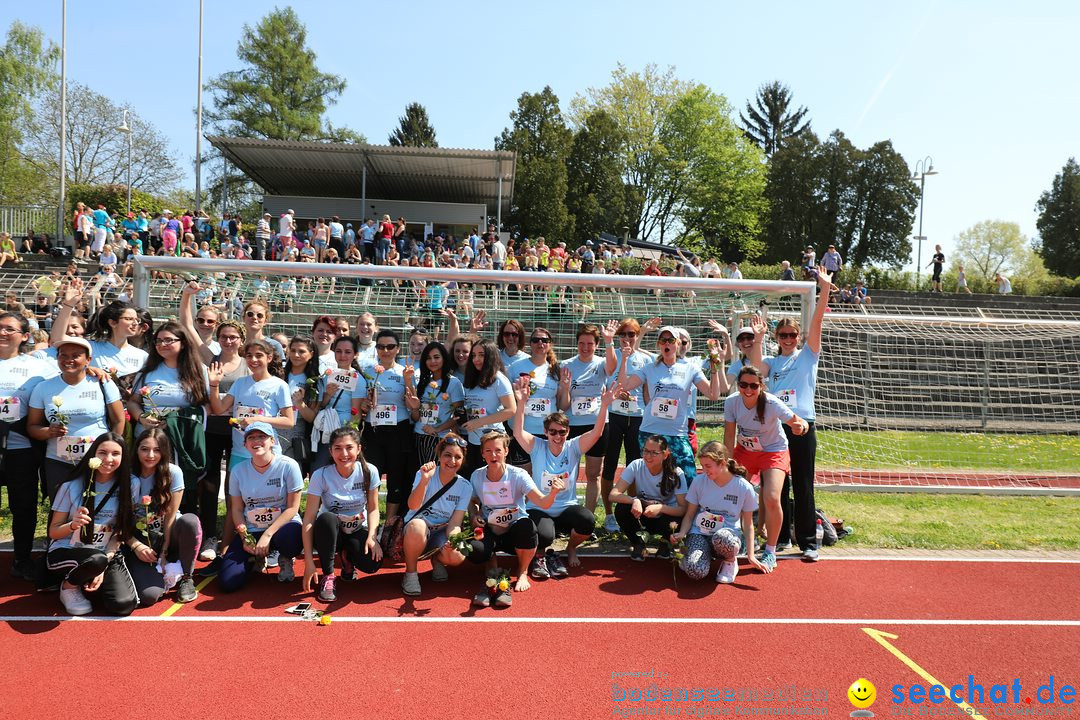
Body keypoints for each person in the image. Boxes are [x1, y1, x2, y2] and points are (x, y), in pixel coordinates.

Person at [752, 269, 832, 562]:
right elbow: (756, 370)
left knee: (803, 483)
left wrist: (824, 290)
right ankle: (781, 536)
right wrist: (759, 338)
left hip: (803, 425)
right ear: (778, 337)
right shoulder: (772, 362)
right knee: (777, 484)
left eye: (792, 334)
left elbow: (818, 319)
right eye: (783, 335)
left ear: (799, 336)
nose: (788, 339)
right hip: (778, 427)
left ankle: (809, 541)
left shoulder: (808, 354)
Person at [513, 378, 617, 577]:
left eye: (562, 432)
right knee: (545, 535)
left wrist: (604, 405)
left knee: (587, 520)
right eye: (552, 432)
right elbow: (517, 432)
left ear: (568, 432)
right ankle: (541, 555)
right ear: (546, 432)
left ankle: (570, 548)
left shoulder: (574, 447)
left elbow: (597, 433)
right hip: (540, 506)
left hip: (566, 507)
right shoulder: (537, 446)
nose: (557, 436)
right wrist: (521, 403)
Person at [724, 366, 809, 572]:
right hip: (745, 450)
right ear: (738, 385)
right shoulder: (732, 402)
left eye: (754, 385)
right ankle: (740, 539)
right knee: (732, 493)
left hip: (773, 451)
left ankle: (770, 550)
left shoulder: (771, 403)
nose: (748, 390)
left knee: (772, 497)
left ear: (761, 386)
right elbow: (728, 437)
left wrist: (801, 427)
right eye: (743, 385)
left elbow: (800, 423)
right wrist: (726, 465)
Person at [466, 431, 566, 605]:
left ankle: (522, 573)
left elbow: (543, 503)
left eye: (497, 450)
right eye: (488, 451)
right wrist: (474, 515)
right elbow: (473, 501)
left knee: (526, 526)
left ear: (506, 451)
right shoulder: (477, 475)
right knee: (474, 551)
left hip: (516, 529)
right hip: (491, 527)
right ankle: (494, 573)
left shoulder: (518, 475)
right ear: (482, 454)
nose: (493, 455)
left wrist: (554, 492)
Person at [617, 325, 726, 483]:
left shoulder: (691, 368)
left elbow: (713, 395)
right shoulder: (649, 368)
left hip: (677, 433)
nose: (666, 344)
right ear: (659, 345)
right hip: (650, 432)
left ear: (678, 344)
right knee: (653, 480)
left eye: (670, 340)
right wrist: (624, 360)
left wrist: (715, 367)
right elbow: (624, 386)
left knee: (688, 478)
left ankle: (683, 508)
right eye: (663, 340)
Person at [46, 433, 140, 616]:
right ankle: (69, 586)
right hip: (67, 548)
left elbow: (120, 531)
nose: (108, 459)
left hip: (105, 551)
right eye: (102, 452)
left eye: (115, 454)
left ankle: (89, 576)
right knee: (95, 560)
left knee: (123, 605)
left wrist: (105, 561)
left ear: (123, 457)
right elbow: (54, 532)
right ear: (92, 455)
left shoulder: (131, 484)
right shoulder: (71, 485)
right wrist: (73, 525)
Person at [127, 322, 210, 513]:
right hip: (150, 437)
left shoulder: (199, 370)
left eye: (168, 340)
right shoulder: (147, 371)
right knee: (149, 483)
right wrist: (141, 418)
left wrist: (177, 419)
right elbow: (133, 402)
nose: (162, 344)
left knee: (178, 484)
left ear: (183, 343)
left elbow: (206, 405)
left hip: (182, 439)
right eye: (158, 341)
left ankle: (177, 527)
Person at [28, 337, 126, 497]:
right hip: (58, 461)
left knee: (95, 508)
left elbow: (119, 420)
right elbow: (32, 427)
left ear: (88, 360)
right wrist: (48, 431)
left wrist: (109, 452)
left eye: (75, 355)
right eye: (63, 355)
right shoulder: (43, 388)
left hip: (96, 461)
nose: (68, 360)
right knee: (60, 511)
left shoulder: (102, 382)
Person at [0, 312, 58, 579]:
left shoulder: (38, 366)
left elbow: (69, 376)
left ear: (24, 336)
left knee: (23, 504)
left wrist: (91, 370)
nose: (2, 332)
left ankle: (22, 558)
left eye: (9, 329)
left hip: (21, 448)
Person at [219, 422, 304, 592]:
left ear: (272, 441)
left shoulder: (289, 465)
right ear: (245, 444)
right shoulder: (237, 471)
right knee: (228, 583)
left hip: (283, 527)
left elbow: (292, 508)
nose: (256, 441)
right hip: (252, 529)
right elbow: (236, 509)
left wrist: (268, 534)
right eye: (251, 437)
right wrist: (244, 537)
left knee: (291, 537)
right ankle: (254, 557)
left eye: (262, 437)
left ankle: (285, 557)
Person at [301, 426, 382, 602]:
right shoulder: (320, 475)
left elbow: (374, 508)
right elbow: (308, 518)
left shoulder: (369, 471)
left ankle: (347, 558)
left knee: (372, 564)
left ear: (358, 449)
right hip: (329, 532)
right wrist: (308, 561)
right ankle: (328, 576)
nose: (344, 453)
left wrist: (372, 537)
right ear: (330, 451)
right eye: (338, 448)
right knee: (327, 518)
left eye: (349, 447)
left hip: (356, 529)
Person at [671, 441, 767, 583]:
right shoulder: (699, 482)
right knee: (695, 571)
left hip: (727, 535)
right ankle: (698, 556)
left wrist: (751, 556)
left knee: (722, 537)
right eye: (702, 466)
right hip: (700, 534)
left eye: (708, 466)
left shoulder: (743, 487)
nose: (704, 470)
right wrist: (682, 533)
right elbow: (690, 515)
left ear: (722, 463)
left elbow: (748, 524)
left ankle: (729, 562)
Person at [127, 429, 201, 604]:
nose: (150, 455)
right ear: (136, 449)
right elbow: (121, 518)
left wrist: (165, 551)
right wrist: (136, 545)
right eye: (144, 449)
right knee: (149, 596)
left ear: (164, 451)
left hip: (168, 535)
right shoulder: (127, 474)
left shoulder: (173, 472)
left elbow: (170, 515)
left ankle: (187, 577)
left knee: (190, 521)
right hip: (139, 539)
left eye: (157, 450)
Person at [600, 318, 654, 533]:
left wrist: (650, 413)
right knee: (610, 464)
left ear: (637, 336)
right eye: (623, 334)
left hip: (638, 417)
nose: (627, 338)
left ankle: (633, 511)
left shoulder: (645, 359)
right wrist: (615, 349)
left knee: (635, 465)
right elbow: (615, 378)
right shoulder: (613, 356)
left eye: (631, 334)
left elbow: (647, 390)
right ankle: (608, 514)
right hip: (615, 415)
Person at [401, 434, 472, 596]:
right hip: (417, 529)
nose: (452, 461)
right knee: (417, 526)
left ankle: (438, 559)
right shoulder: (425, 474)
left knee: (457, 556)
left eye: (458, 457)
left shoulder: (465, 486)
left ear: (463, 461)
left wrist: (453, 541)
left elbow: (455, 524)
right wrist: (425, 480)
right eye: (447, 455)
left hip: (440, 531)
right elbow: (413, 505)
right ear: (439, 456)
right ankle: (411, 573)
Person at [557, 323, 610, 520]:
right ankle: (565, 514)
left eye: (589, 343)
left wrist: (609, 340)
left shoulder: (602, 364)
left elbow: (614, 366)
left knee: (593, 473)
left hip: (597, 425)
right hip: (573, 425)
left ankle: (588, 517)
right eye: (581, 343)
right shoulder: (567, 365)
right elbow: (563, 405)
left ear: (596, 345)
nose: (585, 348)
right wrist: (565, 387)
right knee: (568, 472)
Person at [608, 435, 689, 560]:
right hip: (643, 515)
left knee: (678, 520)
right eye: (645, 451)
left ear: (665, 454)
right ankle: (638, 543)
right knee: (621, 508)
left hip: (666, 518)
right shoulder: (636, 465)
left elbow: (683, 509)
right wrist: (635, 500)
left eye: (654, 453)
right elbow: (613, 495)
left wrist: (660, 508)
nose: (648, 456)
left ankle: (665, 543)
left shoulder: (676, 473)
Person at [506, 326, 561, 471]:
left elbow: (562, 402)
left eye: (544, 340)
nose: (540, 343)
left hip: (546, 431)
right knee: (523, 475)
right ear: (530, 343)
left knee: (544, 473)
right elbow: (507, 399)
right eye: (536, 340)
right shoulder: (515, 367)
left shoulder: (555, 369)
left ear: (550, 344)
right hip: (521, 430)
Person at [309, 335, 367, 471]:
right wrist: (328, 395)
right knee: (319, 470)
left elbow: (356, 414)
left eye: (347, 352)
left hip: (344, 435)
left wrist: (346, 438)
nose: (342, 355)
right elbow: (320, 406)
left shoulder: (358, 380)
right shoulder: (326, 376)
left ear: (355, 355)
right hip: (325, 432)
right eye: (339, 351)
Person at [460, 338, 515, 477]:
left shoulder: (499, 379)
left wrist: (478, 422)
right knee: (475, 484)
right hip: (473, 440)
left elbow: (511, 410)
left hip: (493, 441)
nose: (476, 359)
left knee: (493, 485)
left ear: (491, 356)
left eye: (481, 355)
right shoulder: (472, 378)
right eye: (474, 355)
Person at [405, 341, 464, 465]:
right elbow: (416, 417)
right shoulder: (423, 382)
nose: (432, 361)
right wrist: (408, 381)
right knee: (421, 476)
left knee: (436, 476)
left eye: (436, 357)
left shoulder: (454, 383)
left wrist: (437, 429)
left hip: (440, 438)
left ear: (444, 358)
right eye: (428, 358)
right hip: (419, 436)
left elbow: (459, 416)